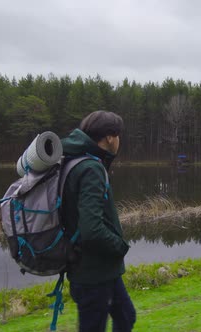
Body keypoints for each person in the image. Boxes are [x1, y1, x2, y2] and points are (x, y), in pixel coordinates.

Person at [60, 111, 136, 332]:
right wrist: (119, 246)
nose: (119, 140)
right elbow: (91, 229)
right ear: (110, 138)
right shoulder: (90, 168)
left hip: (102, 269)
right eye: (118, 135)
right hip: (92, 273)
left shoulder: (74, 161)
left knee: (126, 316)